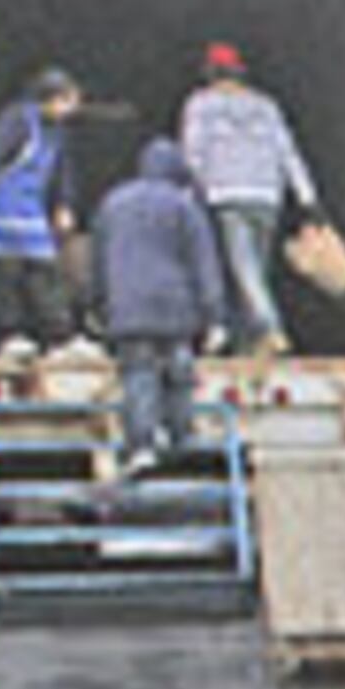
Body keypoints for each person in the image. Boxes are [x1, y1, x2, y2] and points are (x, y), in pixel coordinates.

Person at [88, 138, 228, 472]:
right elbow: (203, 264)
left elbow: (97, 260)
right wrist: (215, 316)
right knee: (178, 371)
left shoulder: (112, 203)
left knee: (138, 372)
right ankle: (182, 440)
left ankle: (142, 445)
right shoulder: (184, 206)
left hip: (128, 308)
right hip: (175, 308)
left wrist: (96, 305)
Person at [179, 42, 319, 357]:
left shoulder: (200, 105)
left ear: (210, 73)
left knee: (243, 271)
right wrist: (308, 199)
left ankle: (270, 327)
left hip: (226, 194)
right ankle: (249, 345)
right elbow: (287, 152)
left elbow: (192, 153)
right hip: (268, 196)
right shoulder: (267, 106)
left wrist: (194, 191)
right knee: (255, 271)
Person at [0, 67, 87, 358]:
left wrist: (64, 204)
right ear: (52, 98)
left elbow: (61, 171)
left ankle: (59, 334)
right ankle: (11, 333)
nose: (72, 108)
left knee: (45, 267)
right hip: (2, 204)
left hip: (32, 208)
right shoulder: (17, 121)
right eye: (68, 100)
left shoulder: (57, 131)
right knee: (8, 270)